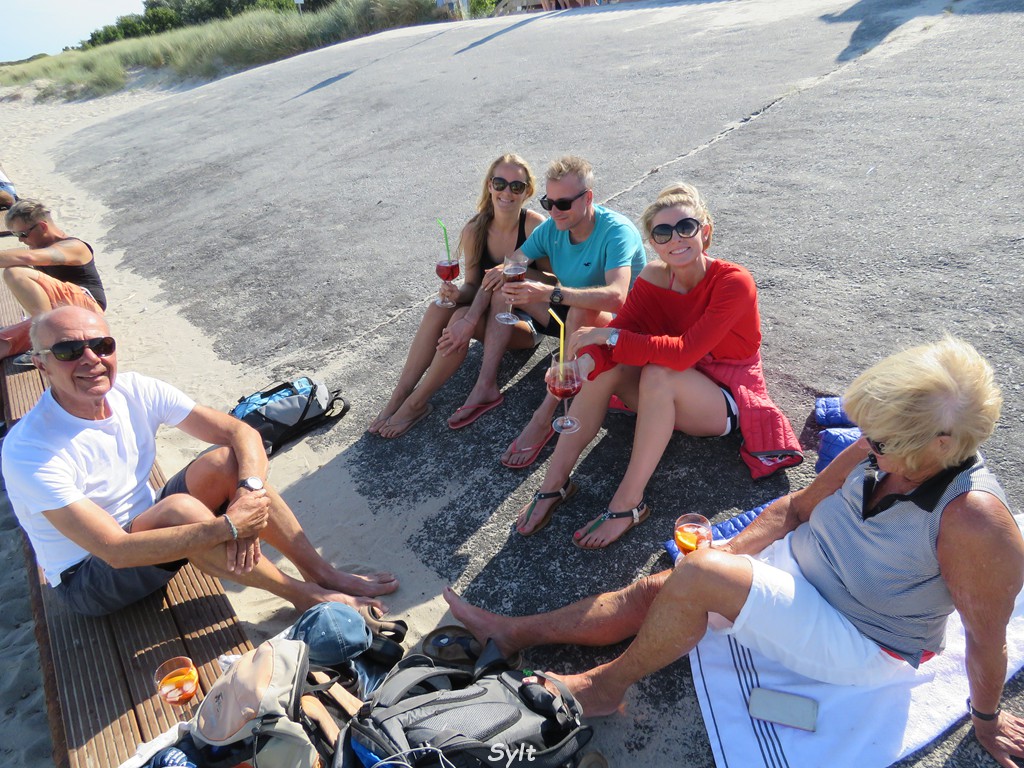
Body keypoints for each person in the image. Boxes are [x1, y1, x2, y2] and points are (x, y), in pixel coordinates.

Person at [446, 336, 1024, 767]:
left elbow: (986, 637)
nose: (864, 445)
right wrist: (724, 555)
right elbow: (794, 509)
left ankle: (604, 688)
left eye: (880, 440)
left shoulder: (974, 522)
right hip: (806, 572)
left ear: (942, 444)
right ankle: (516, 632)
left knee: (700, 579)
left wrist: (986, 719)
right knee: (664, 586)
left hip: (863, 637)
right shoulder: (885, 450)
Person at [3, 306, 399, 617]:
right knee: (178, 509)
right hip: (91, 577)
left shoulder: (133, 390)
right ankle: (303, 595)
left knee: (227, 462)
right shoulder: (31, 450)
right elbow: (115, 550)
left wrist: (248, 493)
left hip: (151, 521)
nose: (92, 359)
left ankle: (321, 572)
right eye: (69, 351)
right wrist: (230, 526)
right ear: (41, 363)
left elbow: (241, 433)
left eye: (102, 345)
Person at [515, 183, 801, 548]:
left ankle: (627, 503)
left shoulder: (733, 282)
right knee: (604, 367)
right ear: (653, 242)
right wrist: (581, 366)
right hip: (670, 389)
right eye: (663, 232)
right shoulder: (653, 276)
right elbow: (622, 332)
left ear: (705, 231)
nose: (675, 238)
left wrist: (609, 337)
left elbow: (682, 353)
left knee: (657, 371)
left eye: (686, 227)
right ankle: (552, 485)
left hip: (723, 397)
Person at [369, 154, 545, 439]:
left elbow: (555, 281)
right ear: (490, 185)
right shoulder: (475, 230)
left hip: (525, 321)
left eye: (517, 186)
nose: (507, 192)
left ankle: (416, 403)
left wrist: (514, 270)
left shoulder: (535, 227)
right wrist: (458, 292)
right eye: (500, 183)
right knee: (440, 306)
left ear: (528, 191)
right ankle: (400, 394)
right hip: (487, 309)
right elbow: (473, 286)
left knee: (464, 313)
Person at [493, 155, 647, 468]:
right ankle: (486, 387)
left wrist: (547, 292)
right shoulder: (553, 227)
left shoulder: (616, 232)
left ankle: (543, 417)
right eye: (548, 203)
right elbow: (516, 261)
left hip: (631, 331)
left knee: (578, 311)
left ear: (588, 198)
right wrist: (496, 282)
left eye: (563, 204)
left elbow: (617, 298)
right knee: (507, 285)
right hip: (581, 316)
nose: (553, 212)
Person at [1, 199, 107, 360]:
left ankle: (47, 342)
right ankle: (45, 337)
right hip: (58, 314)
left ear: (42, 227)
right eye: (16, 235)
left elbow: (28, 257)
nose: (20, 240)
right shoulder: (38, 246)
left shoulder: (74, 247)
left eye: (22, 234)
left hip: (87, 309)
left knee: (14, 272)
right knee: (3, 342)